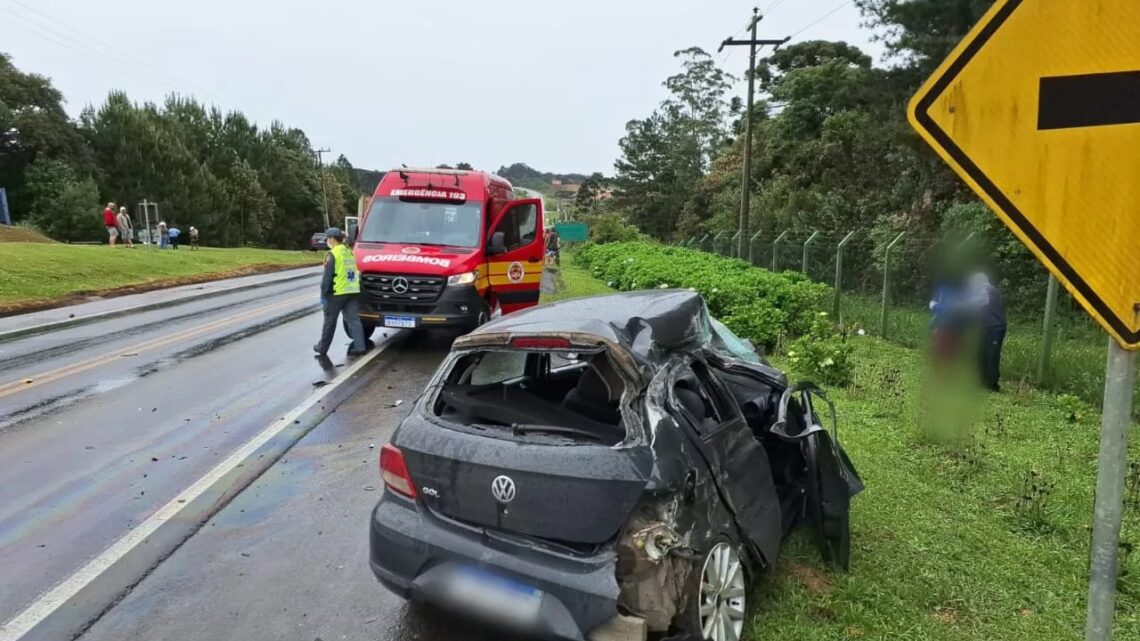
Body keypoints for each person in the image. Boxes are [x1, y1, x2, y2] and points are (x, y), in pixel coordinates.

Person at [314, 227, 367, 357]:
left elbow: (327, 278)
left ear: (332, 239)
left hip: (337, 293)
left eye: (328, 238)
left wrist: (323, 295)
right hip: (352, 291)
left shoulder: (333, 254)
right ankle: (360, 347)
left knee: (329, 322)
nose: (327, 240)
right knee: (354, 320)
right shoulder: (349, 252)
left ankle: (322, 348)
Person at [965, 271, 1007, 392]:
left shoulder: (986, 289)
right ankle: (983, 381)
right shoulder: (985, 291)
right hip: (985, 326)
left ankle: (992, 384)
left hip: (995, 327)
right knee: (981, 353)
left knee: (991, 355)